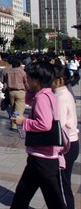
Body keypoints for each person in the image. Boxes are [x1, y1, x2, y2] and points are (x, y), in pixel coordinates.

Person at [10, 62, 68, 209]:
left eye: (28, 78)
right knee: (23, 192)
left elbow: (45, 124)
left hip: (44, 158)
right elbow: (30, 99)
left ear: (37, 80)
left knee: (53, 199)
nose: (26, 81)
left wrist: (23, 121)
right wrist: (29, 89)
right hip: (40, 154)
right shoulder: (47, 94)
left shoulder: (42, 98)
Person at [52, 65, 78, 209]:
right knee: (62, 183)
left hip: (66, 146)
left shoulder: (61, 97)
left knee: (62, 185)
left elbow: (58, 126)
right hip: (71, 143)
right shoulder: (64, 93)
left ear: (60, 80)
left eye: (52, 78)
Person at [2, 57, 27, 130]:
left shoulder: (8, 71)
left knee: (13, 109)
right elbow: (26, 81)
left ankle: (13, 123)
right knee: (19, 110)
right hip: (20, 92)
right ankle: (15, 125)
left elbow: (3, 81)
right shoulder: (21, 71)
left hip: (11, 92)